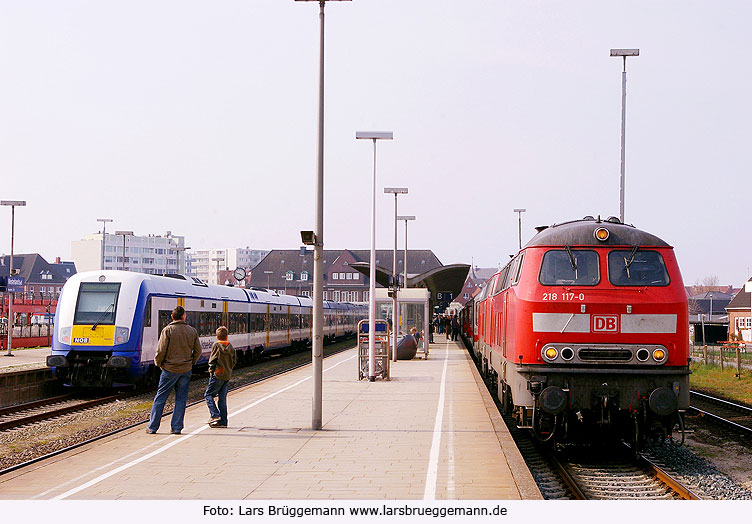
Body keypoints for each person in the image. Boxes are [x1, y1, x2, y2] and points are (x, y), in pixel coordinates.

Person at [146, 306, 202, 435]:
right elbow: (198, 351)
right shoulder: (192, 331)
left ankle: (152, 427)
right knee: (181, 399)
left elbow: (161, 350)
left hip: (169, 369)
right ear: (184, 316)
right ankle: (176, 428)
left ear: (172, 317)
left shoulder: (167, 330)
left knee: (160, 398)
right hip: (185, 369)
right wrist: (191, 362)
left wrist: (159, 363)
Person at [205, 326, 237, 428]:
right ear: (227, 336)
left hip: (218, 374)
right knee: (222, 399)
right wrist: (229, 369)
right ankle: (223, 422)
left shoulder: (216, 345)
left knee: (208, 395)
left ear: (217, 337)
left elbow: (212, 360)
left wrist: (211, 372)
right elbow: (234, 361)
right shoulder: (230, 346)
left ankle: (215, 415)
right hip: (227, 375)